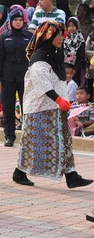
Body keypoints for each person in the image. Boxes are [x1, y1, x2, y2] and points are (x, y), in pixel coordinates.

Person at [12, 20, 93, 189]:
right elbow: (42, 83)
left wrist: (62, 101)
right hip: (40, 108)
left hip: (57, 108)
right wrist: (59, 100)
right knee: (33, 142)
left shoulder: (55, 54)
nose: (61, 38)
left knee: (64, 141)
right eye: (57, 35)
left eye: (61, 35)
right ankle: (19, 172)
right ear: (47, 37)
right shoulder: (40, 57)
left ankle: (71, 175)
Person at [0, 7, 32, 147]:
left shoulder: (29, 36)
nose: (17, 22)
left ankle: (28, 136)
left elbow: (33, 57)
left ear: (23, 21)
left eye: (20, 20)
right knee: (8, 108)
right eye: (15, 20)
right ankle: (9, 136)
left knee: (27, 108)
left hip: (25, 76)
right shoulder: (4, 36)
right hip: (7, 75)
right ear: (10, 21)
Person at [64, 17, 86, 86]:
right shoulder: (64, 38)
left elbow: (81, 58)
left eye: (73, 26)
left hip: (75, 71)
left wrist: (72, 73)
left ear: (77, 26)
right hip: (64, 69)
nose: (71, 28)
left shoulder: (81, 40)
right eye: (69, 26)